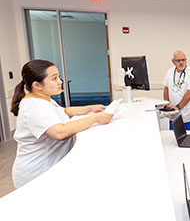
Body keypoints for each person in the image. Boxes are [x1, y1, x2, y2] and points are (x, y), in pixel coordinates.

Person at [10, 59, 113, 188]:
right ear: (37, 85)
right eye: (54, 78)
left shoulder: (43, 99)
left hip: (46, 168)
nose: (60, 82)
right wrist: (95, 118)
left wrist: (90, 108)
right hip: (37, 173)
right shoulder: (35, 106)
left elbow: (63, 111)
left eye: (58, 77)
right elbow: (60, 132)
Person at [163, 50, 190, 131]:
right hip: (174, 112)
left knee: (186, 137)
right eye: (178, 60)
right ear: (173, 61)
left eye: (183, 60)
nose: (181, 62)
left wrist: (178, 106)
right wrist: (166, 103)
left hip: (187, 112)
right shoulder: (170, 72)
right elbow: (166, 88)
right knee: (173, 136)